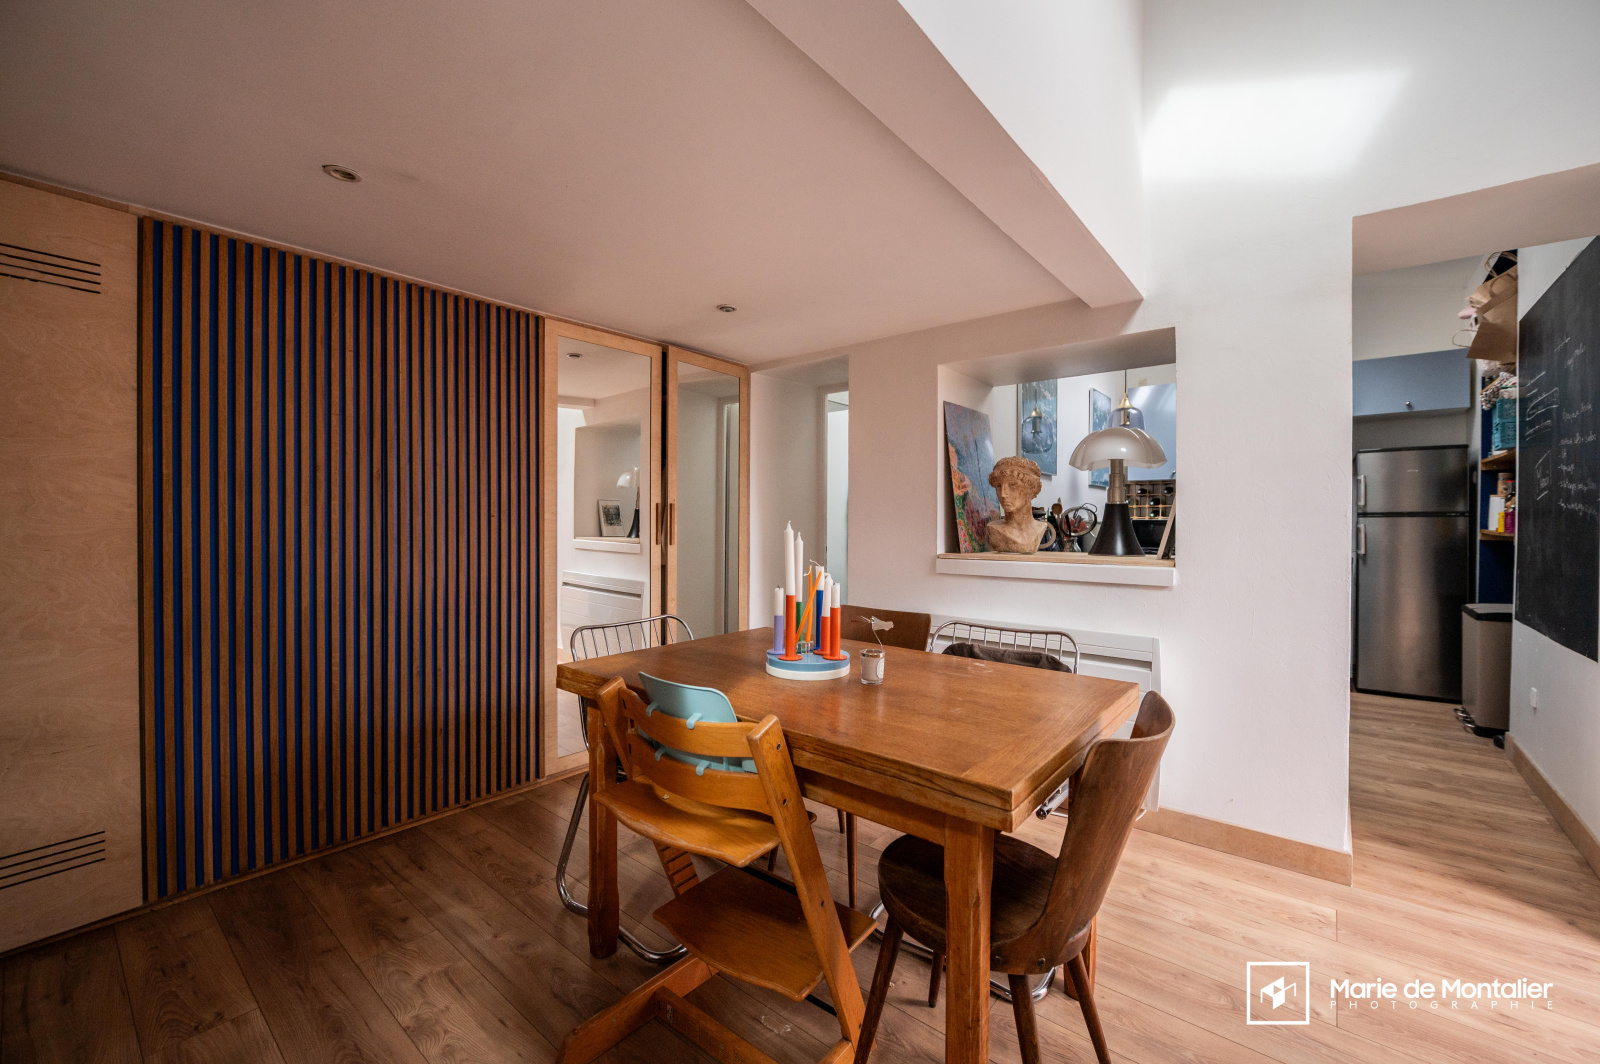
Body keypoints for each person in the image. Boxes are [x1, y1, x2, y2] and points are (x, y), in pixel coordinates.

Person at [986, 455, 1047, 553]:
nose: (1003, 494)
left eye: (1012, 485)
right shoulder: (994, 529)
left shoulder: (1040, 527)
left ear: (1032, 489)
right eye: (998, 486)